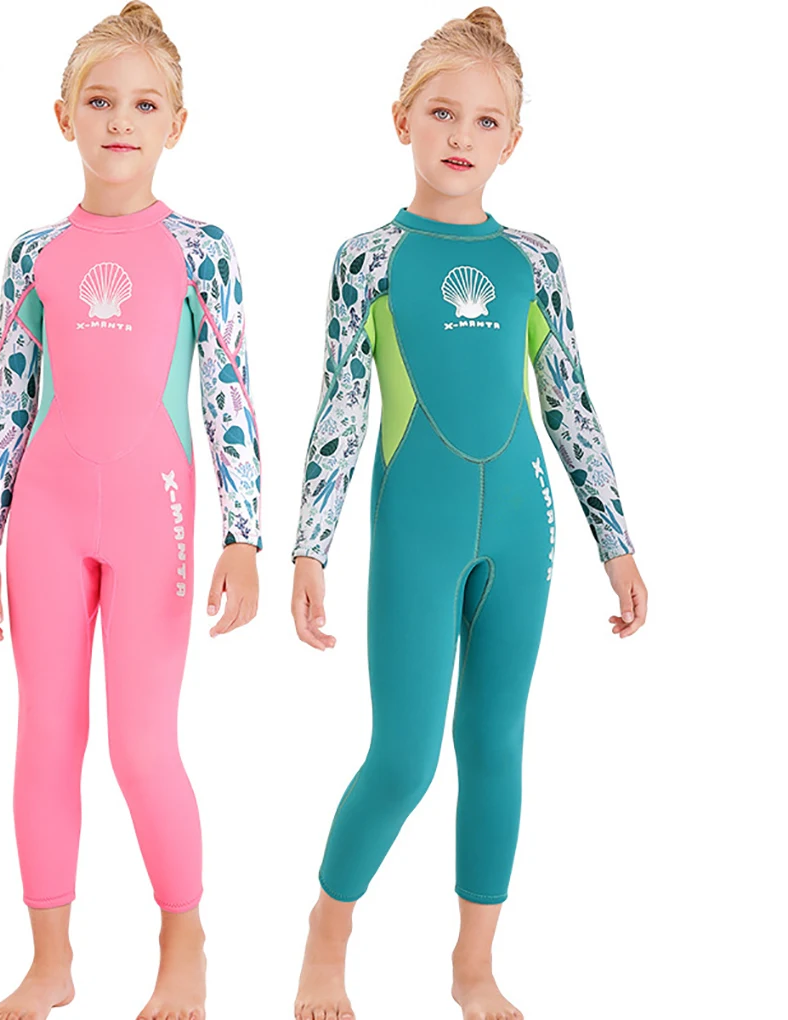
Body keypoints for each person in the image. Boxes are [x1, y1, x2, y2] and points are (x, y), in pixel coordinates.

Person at [289, 8, 647, 1020]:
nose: (461, 136)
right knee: (404, 757)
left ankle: (474, 966)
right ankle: (329, 928)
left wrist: (616, 542)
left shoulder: (535, 260)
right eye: (442, 112)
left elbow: (570, 405)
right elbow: (342, 408)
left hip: (523, 530)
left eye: (486, 121)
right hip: (418, 529)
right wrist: (309, 547)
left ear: (512, 141)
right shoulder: (367, 258)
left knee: (495, 744)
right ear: (401, 118)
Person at [0, 5, 262, 1019]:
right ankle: (51, 962)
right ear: (63, 116)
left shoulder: (201, 248)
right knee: (46, 735)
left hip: (156, 517)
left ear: (177, 122)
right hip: (44, 521)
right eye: (98, 101)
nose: (119, 120)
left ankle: (185, 940)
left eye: (142, 104)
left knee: (141, 744)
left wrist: (245, 535)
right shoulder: (34, 253)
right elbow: (9, 398)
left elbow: (229, 395)